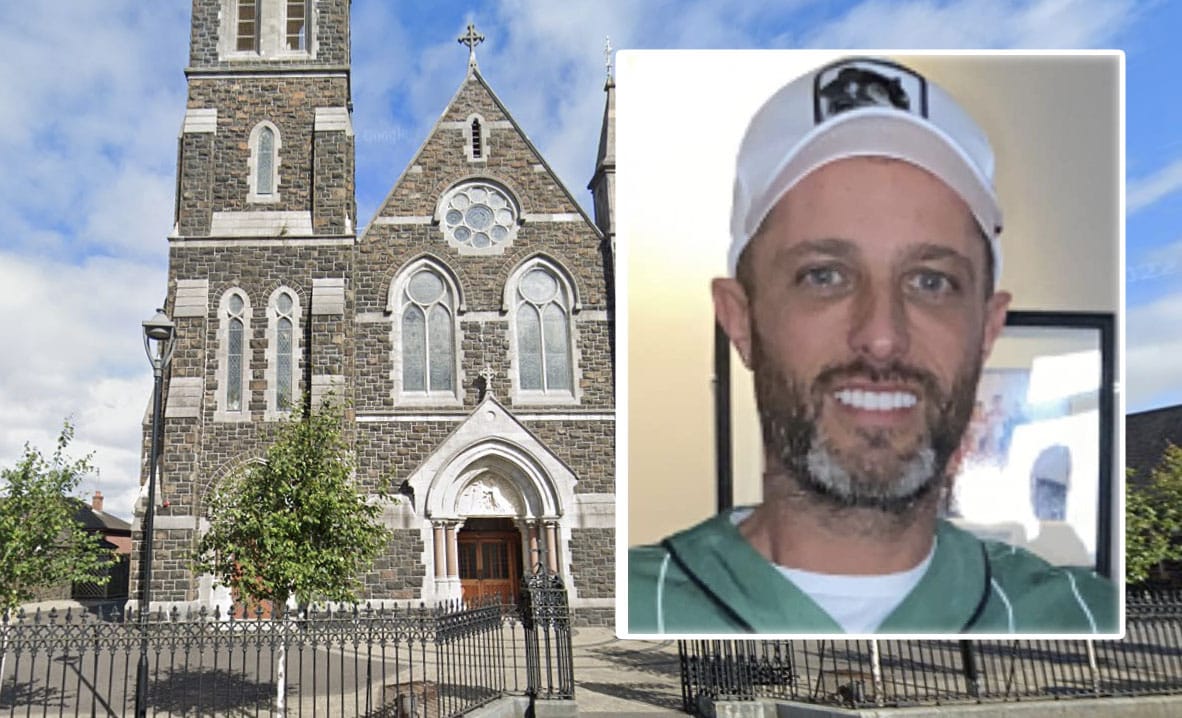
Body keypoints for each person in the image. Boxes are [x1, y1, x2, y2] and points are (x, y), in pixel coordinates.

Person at [627, 56, 1116, 635]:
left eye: (931, 281)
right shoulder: (638, 605)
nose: (882, 336)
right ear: (740, 320)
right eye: (824, 275)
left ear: (987, 328)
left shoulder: (1089, 616)